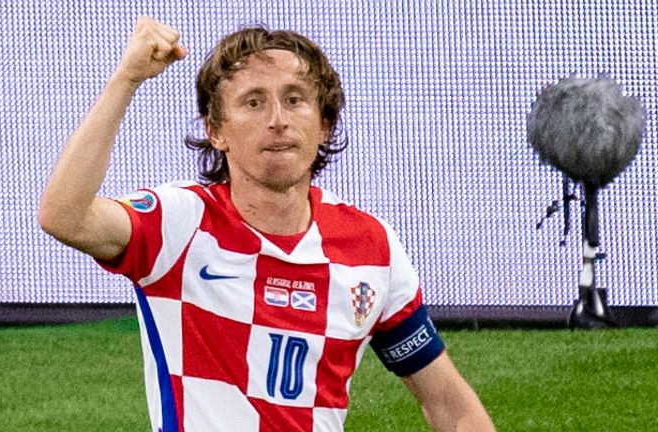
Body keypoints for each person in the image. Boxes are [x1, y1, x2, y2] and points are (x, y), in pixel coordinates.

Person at [39, 16, 495, 432]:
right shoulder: (179, 225)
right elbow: (64, 216)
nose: (278, 121)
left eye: (294, 100)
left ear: (325, 126)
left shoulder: (372, 247)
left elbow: (451, 407)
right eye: (253, 103)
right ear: (216, 130)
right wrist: (127, 78)